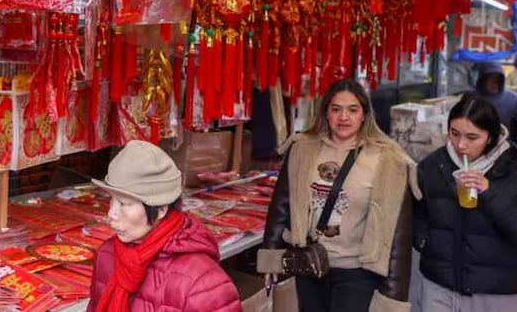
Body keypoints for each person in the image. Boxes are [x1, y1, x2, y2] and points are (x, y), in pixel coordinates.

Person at [262, 79, 417, 312]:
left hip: (357, 274)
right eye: (336, 109)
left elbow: (397, 234)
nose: (344, 117)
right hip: (308, 265)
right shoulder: (302, 149)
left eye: (352, 110)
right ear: (326, 113)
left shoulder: (388, 159)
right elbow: (281, 206)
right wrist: (271, 261)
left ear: (364, 114)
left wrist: (393, 297)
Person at [414, 94, 517, 311]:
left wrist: (490, 193)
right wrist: (426, 242)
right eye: (454, 133)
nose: (461, 145)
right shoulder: (432, 167)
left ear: (490, 137)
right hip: (438, 286)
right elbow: (417, 216)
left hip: (497, 292)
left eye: (472, 137)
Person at [87, 140, 241, 312]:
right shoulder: (107, 254)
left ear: (160, 209)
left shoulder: (203, 282)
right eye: (111, 199)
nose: (111, 213)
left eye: (123, 203)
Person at [475, 61, 517, 153]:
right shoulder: (472, 98)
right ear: (483, 79)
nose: (493, 82)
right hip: (477, 148)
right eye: (489, 78)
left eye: (497, 79)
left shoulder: (513, 99)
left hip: (505, 148)